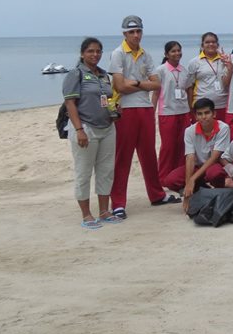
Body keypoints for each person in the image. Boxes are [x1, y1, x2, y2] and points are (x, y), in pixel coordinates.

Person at [109, 15, 178, 219]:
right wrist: (141, 83)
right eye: (132, 32)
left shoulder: (146, 54)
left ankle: (156, 194)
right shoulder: (118, 54)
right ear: (125, 33)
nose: (136, 35)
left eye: (138, 31)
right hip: (126, 110)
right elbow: (119, 85)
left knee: (148, 154)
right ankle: (118, 202)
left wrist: (136, 83)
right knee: (123, 157)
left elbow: (157, 84)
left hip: (145, 108)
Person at [63, 38, 118, 228]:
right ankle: (86, 214)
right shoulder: (75, 74)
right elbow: (70, 103)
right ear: (82, 53)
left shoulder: (104, 75)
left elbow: (107, 99)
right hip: (86, 127)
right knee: (84, 172)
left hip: (107, 128)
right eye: (90, 51)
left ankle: (104, 211)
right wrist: (79, 130)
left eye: (98, 51)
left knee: (106, 171)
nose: (95, 55)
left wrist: (114, 110)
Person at [163, 98, 230, 213]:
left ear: (214, 114)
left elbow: (214, 158)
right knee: (170, 180)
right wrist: (188, 188)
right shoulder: (189, 131)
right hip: (198, 167)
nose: (203, 117)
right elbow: (190, 158)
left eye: (207, 113)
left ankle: (221, 195)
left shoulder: (223, 128)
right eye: (200, 114)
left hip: (215, 165)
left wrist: (192, 179)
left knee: (215, 174)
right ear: (195, 116)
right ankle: (201, 192)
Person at [152, 41, 191, 186]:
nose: (177, 54)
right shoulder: (160, 70)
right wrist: (152, 110)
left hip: (184, 112)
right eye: (173, 51)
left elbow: (188, 91)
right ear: (166, 54)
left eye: (179, 50)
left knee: (183, 146)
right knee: (168, 147)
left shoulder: (184, 70)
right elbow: (156, 93)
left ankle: (178, 176)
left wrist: (192, 111)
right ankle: (162, 177)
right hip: (167, 113)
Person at [184, 32, 231, 125]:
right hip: (201, 106)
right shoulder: (194, 62)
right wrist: (190, 108)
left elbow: (227, 82)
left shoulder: (225, 60)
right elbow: (189, 87)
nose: (211, 44)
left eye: (213, 42)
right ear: (202, 45)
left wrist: (229, 66)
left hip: (222, 104)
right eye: (207, 42)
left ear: (217, 44)